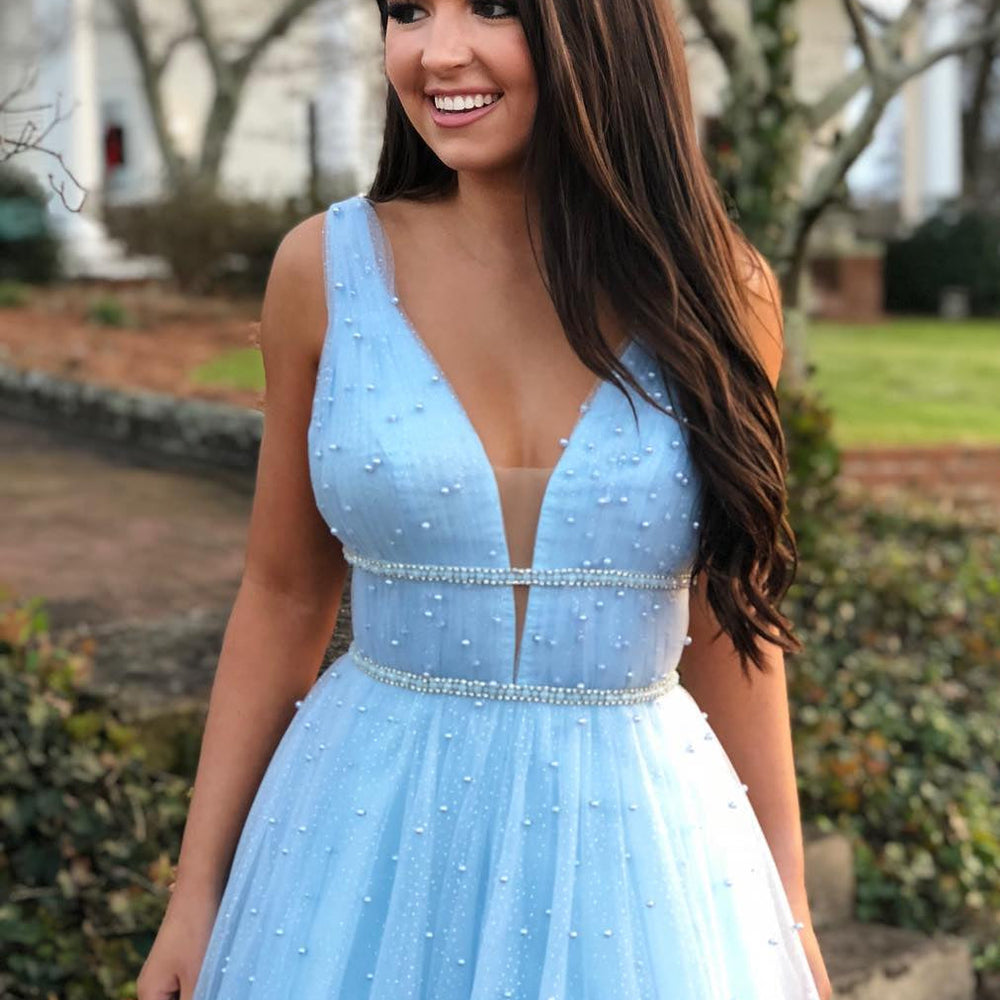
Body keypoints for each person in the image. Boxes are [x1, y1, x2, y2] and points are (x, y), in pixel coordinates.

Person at [137, 0, 833, 996]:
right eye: (407, 11)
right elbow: (283, 593)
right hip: (359, 838)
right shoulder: (322, 272)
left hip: (639, 864)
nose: (437, 52)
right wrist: (196, 891)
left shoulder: (723, 293)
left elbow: (730, 615)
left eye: (493, 7)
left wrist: (788, 913)